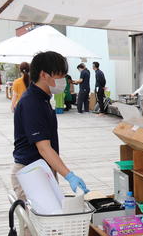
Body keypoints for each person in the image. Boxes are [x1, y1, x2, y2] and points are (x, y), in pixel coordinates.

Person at [12, 51, 89, 200]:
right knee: (38, 222)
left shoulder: (43, 99)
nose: (63, 80)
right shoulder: (32, 102)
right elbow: (43, 147)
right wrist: (69, 175)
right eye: (59, 75)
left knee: (49, 219)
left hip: (42, 170)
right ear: (44, 75)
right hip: (30, 172)